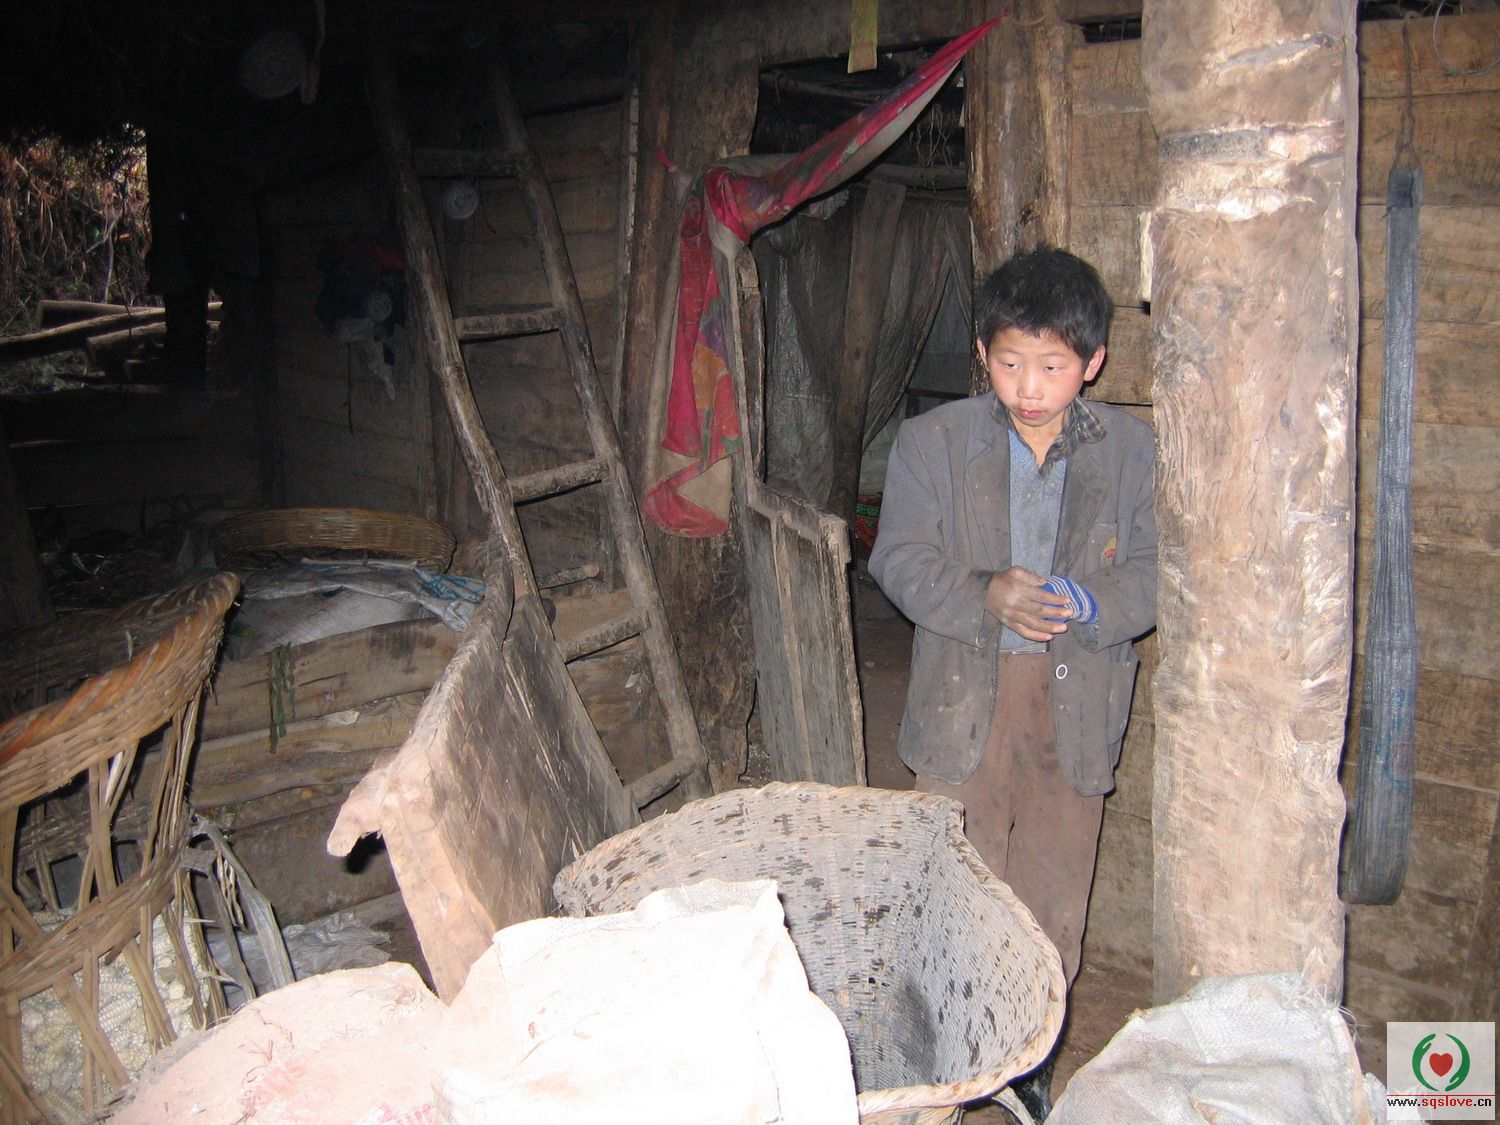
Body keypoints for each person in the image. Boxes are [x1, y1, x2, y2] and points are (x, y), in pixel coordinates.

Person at [868, 246, 1156, 1119]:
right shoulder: (934, 442)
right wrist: (983, 592)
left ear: (1092, 362)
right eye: (1009, 363)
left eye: (1053, 366)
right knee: (956, 869)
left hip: (1078, 698)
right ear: (982, 354)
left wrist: (1092, 601)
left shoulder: (1131, 450)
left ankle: (1031, 1054)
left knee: (1054, 881)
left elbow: (1158, 571)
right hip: (964, 691)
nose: (1029, 387)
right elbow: (897, 557)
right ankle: (945, 1047)